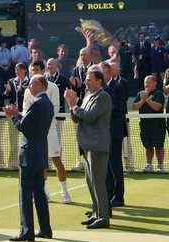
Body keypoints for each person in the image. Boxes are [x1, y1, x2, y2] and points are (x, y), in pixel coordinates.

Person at [3, 74, 54, 241]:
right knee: (39, 193)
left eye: (31, 84)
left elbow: (23, 127)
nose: (29, 87)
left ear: (40, 84)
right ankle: (45, 229)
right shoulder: (47, 104)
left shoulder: (38, 104)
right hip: (39, 154)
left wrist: (13, 116)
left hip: (29, 155)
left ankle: (27, 232)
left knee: (25, 194)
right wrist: (18, 114)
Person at [64, 66, 112, 229]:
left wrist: (73, 105)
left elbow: (90, 116)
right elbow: (77, 118)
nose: (86, 82)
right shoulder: (88, 95)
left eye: (89, 79)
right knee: (90, 181)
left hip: (97, 146)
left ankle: (103, 217)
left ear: (99, 81)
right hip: (86, 145)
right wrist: (72, 106)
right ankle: (96, 213)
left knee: (98, 182)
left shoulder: (103, 97)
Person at [30, 60, 70, 203]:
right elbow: (25, 109)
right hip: (35, 133)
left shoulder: (53, 87)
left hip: (50, 129)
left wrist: (38, 117)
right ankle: (44, 192)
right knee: (40, 164)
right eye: (32, 70)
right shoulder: (29, 88)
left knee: (57, 161)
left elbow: (55, 108)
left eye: (36, 70)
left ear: (42, 70)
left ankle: (65, 192)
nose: (34, 72)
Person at [102, 61, 128, 207]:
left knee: (115, 164)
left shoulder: (117, 87)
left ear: (108, 73)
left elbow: (118, 109)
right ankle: (109, 195)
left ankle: (119, 197)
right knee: (106, 166)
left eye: (102, 72)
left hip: (115, 132)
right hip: (103, 133)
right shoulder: (101, 89)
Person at [133, 75, 166, 173]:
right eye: (145, 82)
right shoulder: (140, 94)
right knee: (148, 146)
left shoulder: (159, 94)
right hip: (145, 125)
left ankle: (160, 165)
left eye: (148, 82)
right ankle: (149, 164)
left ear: (155, 83)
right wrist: (142, 99)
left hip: (158, 125)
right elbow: (135, 106)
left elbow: (158, 107)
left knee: (159, 146)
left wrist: (147, 99)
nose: (146, 84)